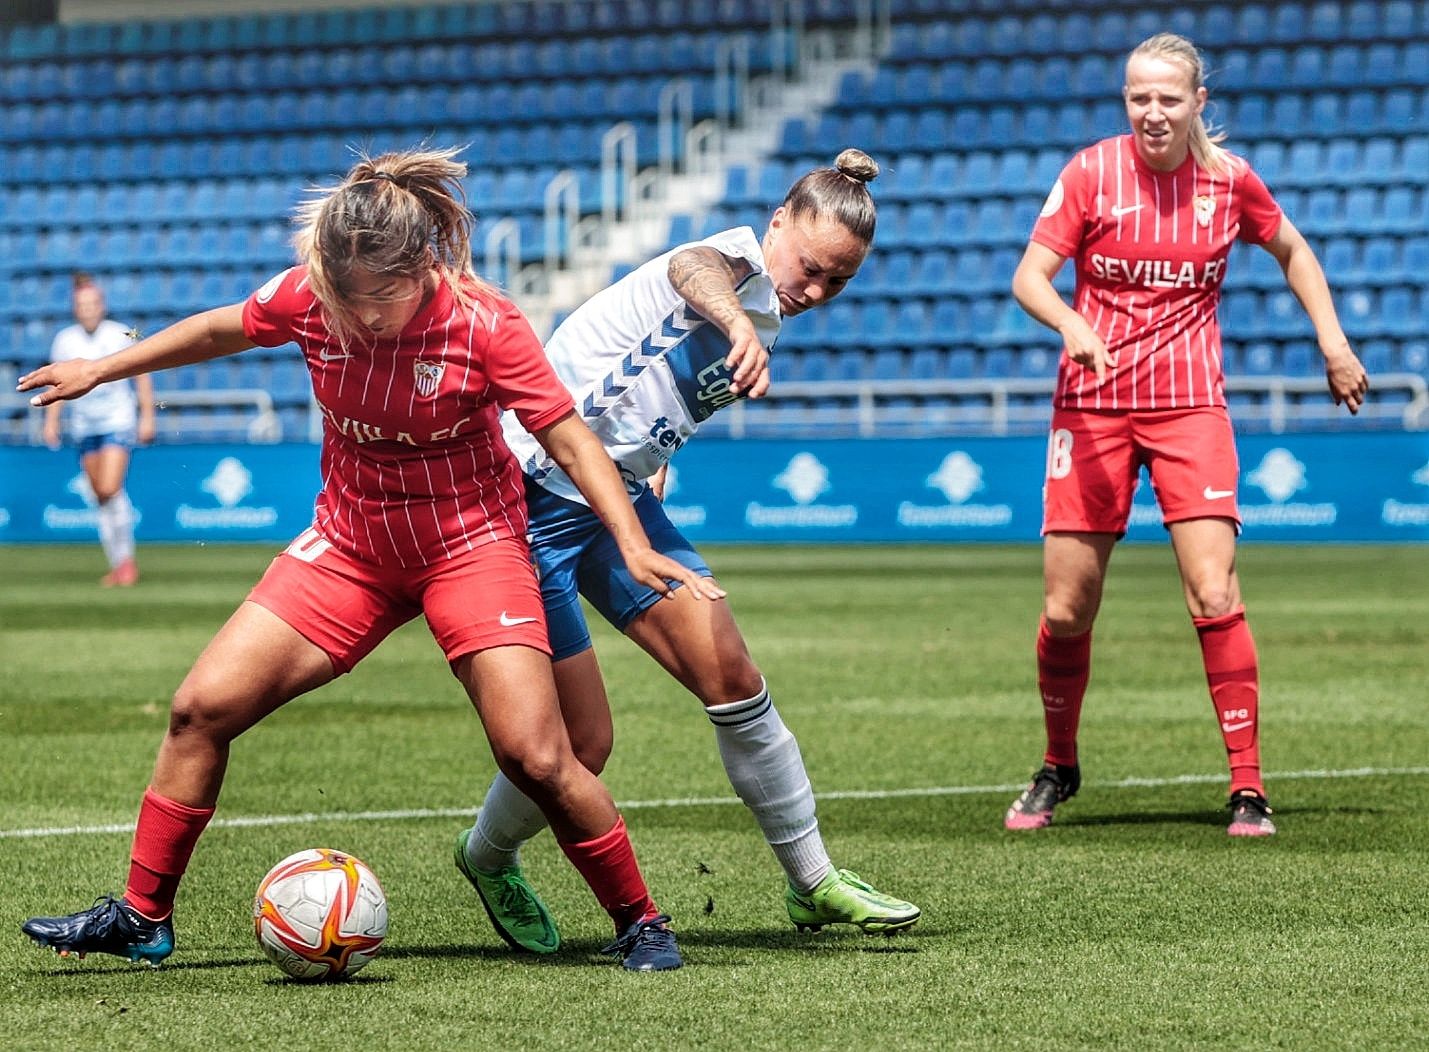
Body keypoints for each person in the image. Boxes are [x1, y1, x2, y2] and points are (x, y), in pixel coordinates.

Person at [17, 147, 726, 972]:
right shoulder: (314, 295)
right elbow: (222, 327)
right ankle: (142, 918)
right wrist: (101, 368)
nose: (358, 316)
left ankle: (640, 921)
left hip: (472, 548)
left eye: (377, 299)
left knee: (536, 755)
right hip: (351, 547)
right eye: (345, 298)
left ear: (422, 265)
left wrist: (633, 542)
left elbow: (568, 438)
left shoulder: (484, 324)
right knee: (198, 710)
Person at [451, 148, 920, 957]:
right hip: (528, 497)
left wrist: (659, 455)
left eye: (834, 283)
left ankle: (812, 883)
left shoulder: (767, 308)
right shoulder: (730, 263)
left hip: (612, 496)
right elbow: (691, 269)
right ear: (777, 225)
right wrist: (736, 316)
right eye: (808, 267)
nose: (811, 291)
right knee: (583, 745)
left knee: (734, 679)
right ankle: (487, 856)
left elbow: (642, 385)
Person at [1004, 33, 1369, 837]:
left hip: (1188, 408)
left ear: (1198, 102)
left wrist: (1332, 341)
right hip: (1091, 408)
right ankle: (1058, 763)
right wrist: (1070, 323)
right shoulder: (1089, 172)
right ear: (1124, 100)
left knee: (1213, 591)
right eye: (1139, 97)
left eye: (1168, 98)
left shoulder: (1227, 182)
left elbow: (1292, 249)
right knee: (1067, 607)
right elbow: (1029, 277)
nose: (1152, 113)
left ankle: (1247, 786)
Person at [44, 273, 155, 586]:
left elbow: (142, 375)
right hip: (84, 425)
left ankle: (127, 562)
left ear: (102, 306)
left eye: (93, 303)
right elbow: (57, 385)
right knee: (101, 496)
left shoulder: (121, 333)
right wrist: (52, 421)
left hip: (117, 421)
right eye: (82, 304)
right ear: (75, 308)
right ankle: (119, 563)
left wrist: (147, 416)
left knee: (109, 487)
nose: (88, 309)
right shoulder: (65, 340)